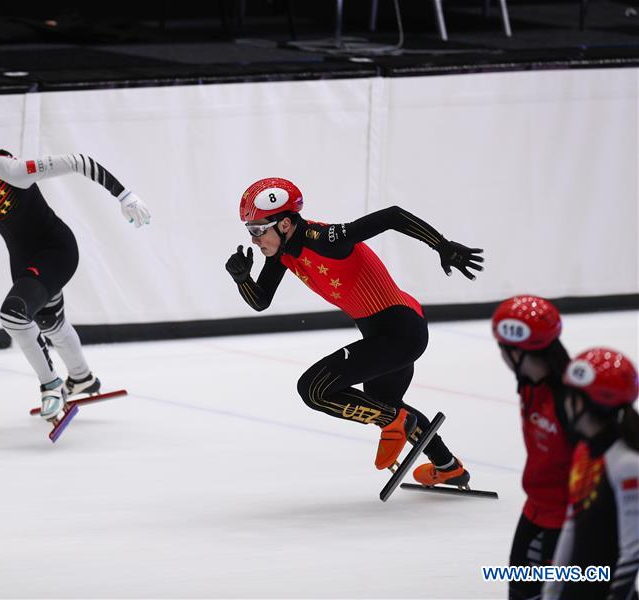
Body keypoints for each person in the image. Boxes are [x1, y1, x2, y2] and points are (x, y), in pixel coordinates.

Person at [225, 177, 483, 484]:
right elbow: (261, 300)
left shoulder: (324, 239)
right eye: (249, 231)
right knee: (381, 401)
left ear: (283, 224)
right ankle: (447, 465)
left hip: (402, 331)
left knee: (314, 389)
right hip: (386, 334)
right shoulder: (283, 253)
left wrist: (442, 245)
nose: (254, 239)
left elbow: (392, 215)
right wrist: (242, 279)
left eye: (258, 230)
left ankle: (395, 421)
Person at [0, 107, 150, 422]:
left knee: (12, 316)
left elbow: (78, 162)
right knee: (50, 323)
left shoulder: (13, 170)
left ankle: (51, 385)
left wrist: (125, 196)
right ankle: (82, 378)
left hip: (56, 251)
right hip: (23, 261)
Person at [492, 296, 576, 600]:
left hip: (569, 521)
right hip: (534, 510)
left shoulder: (572, 400)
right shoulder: (529, 383)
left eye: (501, 348)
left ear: (517, 351)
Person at [542, 348, 639, 600]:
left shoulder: (627, 464)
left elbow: (632, 552)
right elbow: (573, 523)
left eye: (571, 397)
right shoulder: (584, 451)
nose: (565, 404)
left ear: (589, 403)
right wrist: (552, 587)